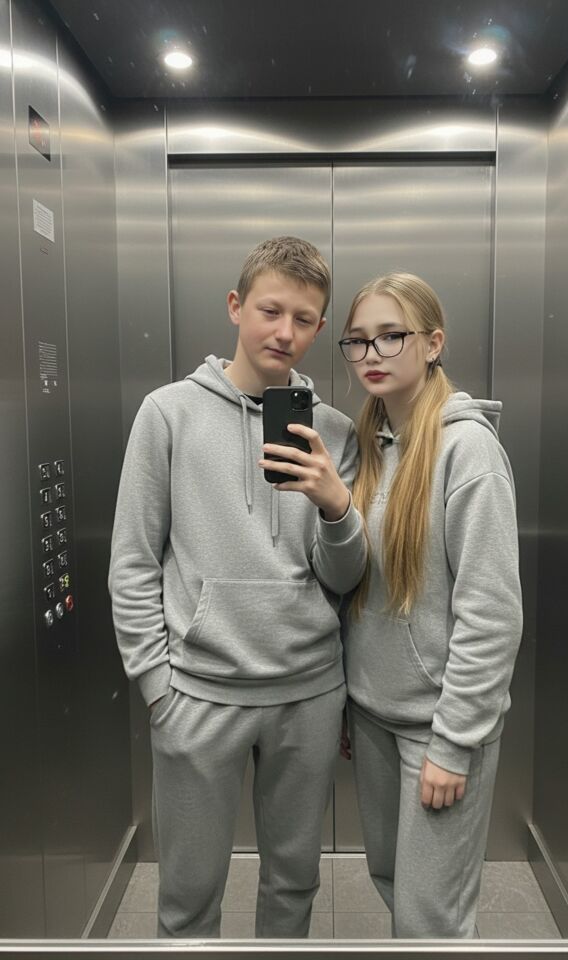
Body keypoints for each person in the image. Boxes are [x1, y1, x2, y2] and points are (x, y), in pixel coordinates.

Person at [108, 236, 366, 939]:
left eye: (304, 319)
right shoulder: (168, 413)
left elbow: (345, 580)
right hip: (198, 694)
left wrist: (335, 507)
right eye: (270, 310)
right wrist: (157, 685)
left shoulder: (333, 433)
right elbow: (133, 560)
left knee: (294, 885)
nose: (285, 332)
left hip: (309, 694)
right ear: (235, 306)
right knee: (188, 896)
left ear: (320, 327)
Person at [338, 272, 523, 939]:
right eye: (358, 341)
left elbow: (492, 614)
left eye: (392, 335)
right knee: (393, 884)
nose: (372, 354)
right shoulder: (366, 445)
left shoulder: (468, 451)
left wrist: (453, 742)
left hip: (439, 727)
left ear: (433, 343)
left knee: (431, 922)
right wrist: (351, 702)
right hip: (374, 716)